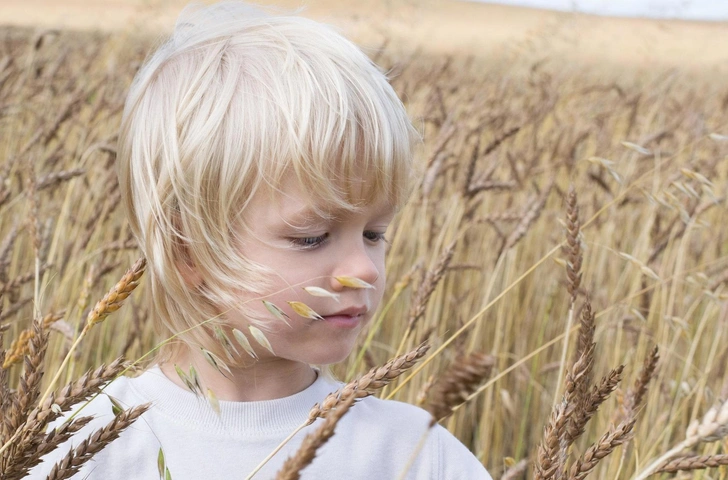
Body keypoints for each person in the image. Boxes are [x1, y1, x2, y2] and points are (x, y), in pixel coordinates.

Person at [31, 2, 492, 478]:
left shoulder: (415, 453)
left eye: (375, 233)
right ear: (188, 251)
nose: (365, 269)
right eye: (312, 237)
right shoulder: (86, 449)